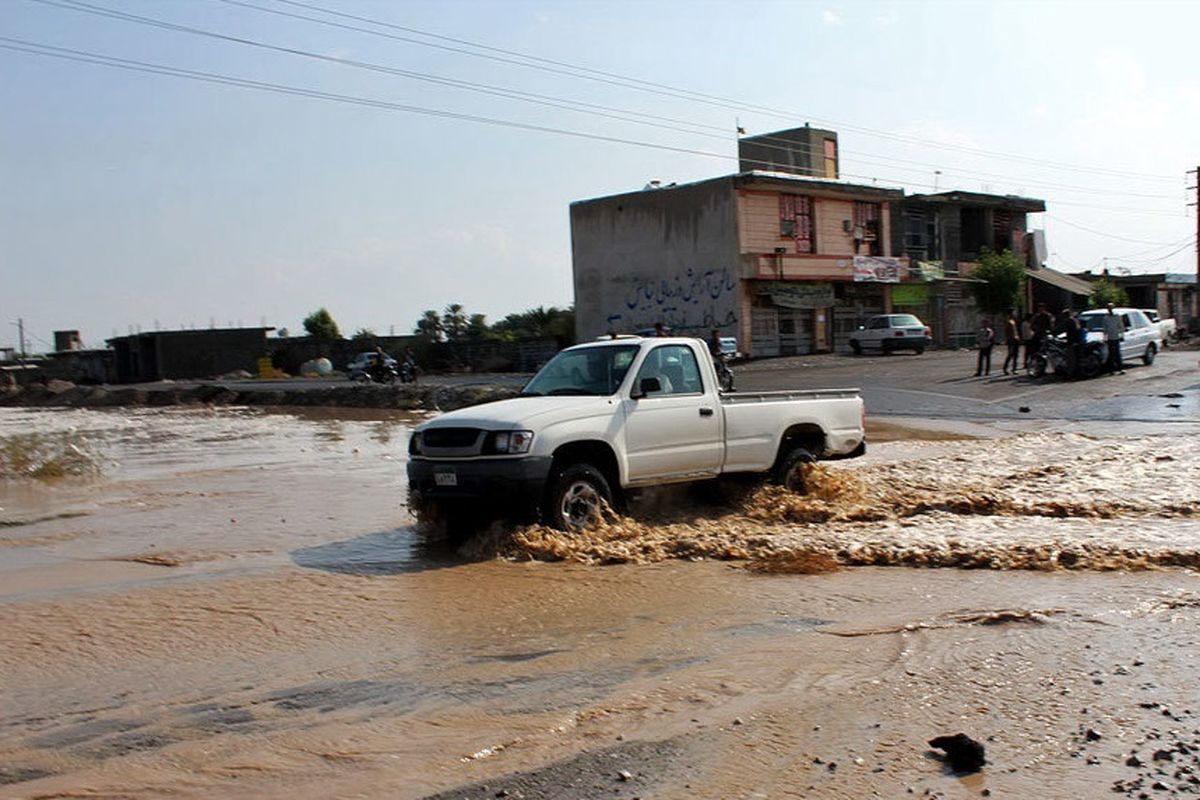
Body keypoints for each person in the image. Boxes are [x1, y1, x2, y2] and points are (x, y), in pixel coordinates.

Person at [1102, 303, 1125, 375]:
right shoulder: (1106, 318)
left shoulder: (1117, 316)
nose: (1110, 309)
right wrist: (1105, 338)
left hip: (1116, 337)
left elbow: (1121, 326)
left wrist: (1122, 335)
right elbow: (1105, 329)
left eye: (1111, 308)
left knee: (1117, 353)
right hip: (1110, 338)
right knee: (1111, 354)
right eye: (1108, 308)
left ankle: (1120, 369)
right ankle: (1111, 370)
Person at [1001, 308, 1020, 375]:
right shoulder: (1008, 321)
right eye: (1014, 312)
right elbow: (1006, 331)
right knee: (1010, 354)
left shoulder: (1014, 321)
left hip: (1016, 339)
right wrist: (1008, 339)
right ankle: (1005, 368)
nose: (1015, 314)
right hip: (1011, 340)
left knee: (1016, 355)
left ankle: (1014, 369)